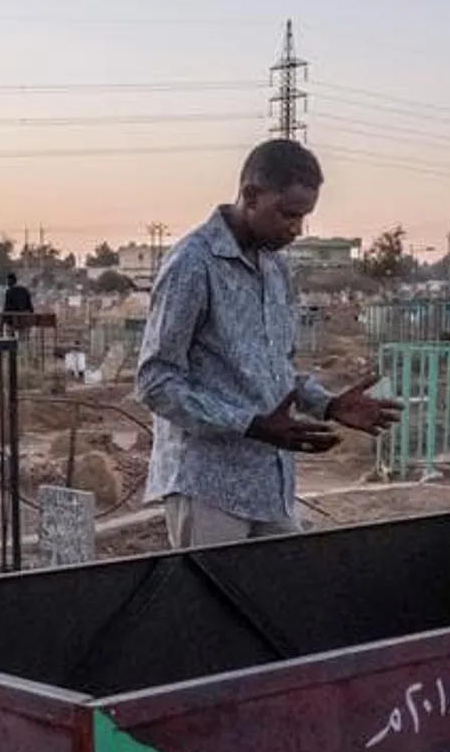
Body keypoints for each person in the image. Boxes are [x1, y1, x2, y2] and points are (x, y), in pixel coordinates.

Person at [137, 139, 402, 547]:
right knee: (211, 608)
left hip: (269, 484)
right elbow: (156, 382)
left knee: (281, 600)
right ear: (250, 196)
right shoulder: (193, 264)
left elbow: (276, 367)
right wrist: (250, 425)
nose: (295, 229)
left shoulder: (275, 268)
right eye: (287, 214)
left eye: (303, 218)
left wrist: (326, 403)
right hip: (208, 485)